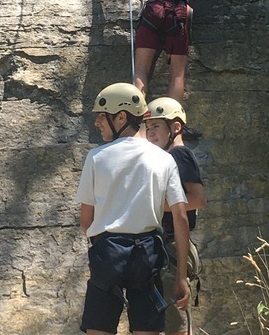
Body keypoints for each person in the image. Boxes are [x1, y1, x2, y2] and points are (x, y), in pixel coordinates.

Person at [74, 82, 191, 335]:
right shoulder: (164, 159)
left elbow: (86, 221)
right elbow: (181, 217)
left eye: (101, 116)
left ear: (121, 116)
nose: (97, 123)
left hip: (107, 252)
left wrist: (105, 242)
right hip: (147, 255)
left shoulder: (96, 157)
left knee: (98, 329)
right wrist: (181, 276)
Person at [143, 97, 206, 335]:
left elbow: (197, 198)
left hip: (172, 246)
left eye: (156, 126)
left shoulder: (179, 155)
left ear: (175, 127)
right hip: (166, 245)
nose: (149, 132)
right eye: (147, 127)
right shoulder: (167, 157)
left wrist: (155, 206)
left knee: (175, 322)